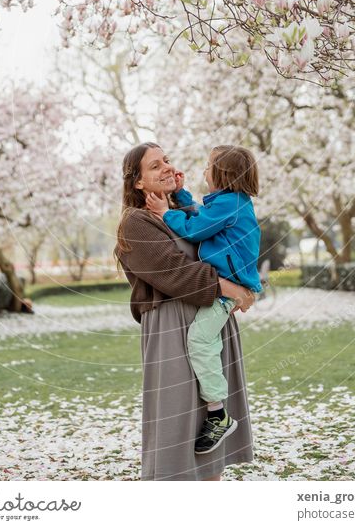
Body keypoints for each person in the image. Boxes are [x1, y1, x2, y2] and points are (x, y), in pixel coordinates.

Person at [114, 142, 255, 481]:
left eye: (167, 161)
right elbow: (176, 272)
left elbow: (218, 238)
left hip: (209, 321)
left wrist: (180, 198)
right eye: (154, 166)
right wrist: (233, 289)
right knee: (179, 427)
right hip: (171, 326)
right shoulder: (135, 223)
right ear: (137, 183)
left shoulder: (181, 210)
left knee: (210, 440)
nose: (165, 168)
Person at [146, 145, 261, 455]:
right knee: (204, 341)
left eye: (208, 167)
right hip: (229, 282)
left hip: (230, 285)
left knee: (199, 341)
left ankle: (218, 412)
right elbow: (203, 214)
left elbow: (197, 228)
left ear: (222, 175)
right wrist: (182, 197)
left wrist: (165, 213)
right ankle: (216, 408)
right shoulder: (230, 202)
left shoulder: (229, 204)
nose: (203, 172)